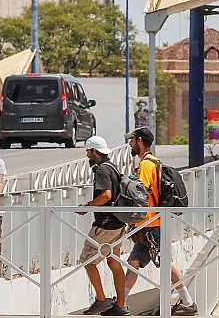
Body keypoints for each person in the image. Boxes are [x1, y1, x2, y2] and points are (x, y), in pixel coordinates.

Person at [123, 127, 197, 316]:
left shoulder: (147, 164)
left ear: (139, 141)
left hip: (151, 223)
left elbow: (142, 193)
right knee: (134, 262)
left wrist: (131, 183)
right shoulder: (153, 162)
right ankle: (121, 303)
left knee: (166, 262)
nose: (130, 144)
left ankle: (188, 302)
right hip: (148, 223)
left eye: (131, 140)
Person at [76, 136, 130, 316]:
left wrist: (88, 206)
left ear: (93, 151)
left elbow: (106, 195)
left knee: (87, 260)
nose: (87, 155)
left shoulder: (101, 170)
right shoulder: (114, 167)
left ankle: (101, 300)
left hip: (105, 225)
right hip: (118, 223)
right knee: (114, 261)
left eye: (87, 151)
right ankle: (120, 305)